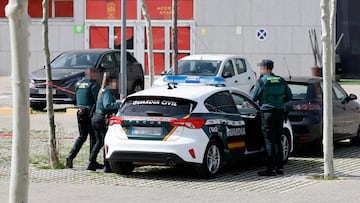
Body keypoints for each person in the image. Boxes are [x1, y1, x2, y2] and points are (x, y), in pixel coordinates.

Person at [252, 59, 292, 176]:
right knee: (278, 140)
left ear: (264, 68)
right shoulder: (281, 80)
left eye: (261, 67)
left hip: (267, 113)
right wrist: (279, 102)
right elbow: (289, 96)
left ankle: (270, 169)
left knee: (269, 142)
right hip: (280, 113)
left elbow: (253, 98)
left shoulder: (262, 81)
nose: (260, 69)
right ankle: (280, 168)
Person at [66, 68, 103, 169]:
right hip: (90, 113)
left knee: (82, 136)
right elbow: (98, 100)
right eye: (97, 74)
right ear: (92, 74)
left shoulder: (78, 83)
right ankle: (92, 162)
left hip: (80, 112)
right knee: (93, 137)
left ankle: (70, 156)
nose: (98, 76)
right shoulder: (93, 85)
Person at [87, 74, 121, 172]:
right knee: (105, 141)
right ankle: (107, 166)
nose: (117, 84)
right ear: (111, 83)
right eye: (116, 82)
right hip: (101, 118)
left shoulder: (103, 91)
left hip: (96, 118)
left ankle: (91, 162)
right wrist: (119, 103)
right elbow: (107, 106)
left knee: (99, 142)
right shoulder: (107, 92)